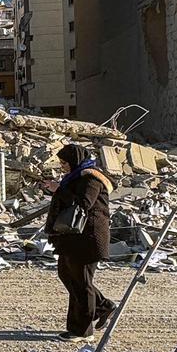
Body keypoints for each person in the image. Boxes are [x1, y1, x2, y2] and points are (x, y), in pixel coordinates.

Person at [43, 143, 116, 341]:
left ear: (75, 160)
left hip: (87, 238)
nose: (63, 166)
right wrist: (56, 189)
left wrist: (59, 189)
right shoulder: (76, 176)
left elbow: (83, 204)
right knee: (68, 276)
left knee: (81, 283)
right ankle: (102, 306)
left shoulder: (91, 177)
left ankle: (83, 331)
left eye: (65, 162)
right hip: (72, 239)